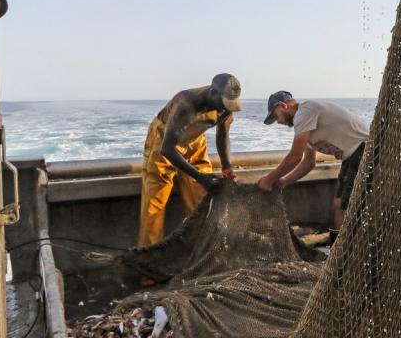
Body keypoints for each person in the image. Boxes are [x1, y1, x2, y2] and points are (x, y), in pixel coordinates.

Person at [137, 73, 242, 246]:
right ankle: (148, 262)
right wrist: (200, 177)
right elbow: (167, 149)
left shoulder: (227, 104)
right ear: (213, 93)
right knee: (155, 204)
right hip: (164, 138)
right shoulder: (186, 103)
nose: (225, 109)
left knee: (202, 197)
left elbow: (223, 134)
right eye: (223, 104)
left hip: (195, 141)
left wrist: (227, 167)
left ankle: (203, 253)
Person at [258, 91, 369, 235]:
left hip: (364, 150)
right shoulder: (306, 123)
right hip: (351, 157)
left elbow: (294, 156)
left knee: (345, 208)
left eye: (275, 116)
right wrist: (284, 182)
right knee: (338, 205)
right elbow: (308, 162)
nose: (278, 122)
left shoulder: (305, 111)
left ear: (283, 106)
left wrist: (268, 180)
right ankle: (341, 251)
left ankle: (348, 254)